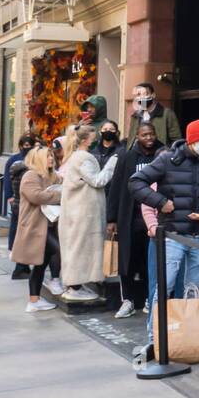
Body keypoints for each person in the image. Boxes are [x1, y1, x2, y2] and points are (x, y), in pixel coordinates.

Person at [129, 119, 199, 352]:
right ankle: (155, 339)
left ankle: (188, 336)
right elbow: (136, 182)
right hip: (173, 235)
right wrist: (161, 202)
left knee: (194, 288)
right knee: (164, 286)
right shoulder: (167, 160)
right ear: (192, 141)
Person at [105, 122, 164, 319]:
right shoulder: (127, 156)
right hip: (130, 217)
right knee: (127, 261)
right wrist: (111, 218)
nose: (149, 138)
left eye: (152, 134)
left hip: (155, 219)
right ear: (137, 136)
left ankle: (150, 299)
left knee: (151, 261)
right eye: (145, 135)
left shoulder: (163, 154)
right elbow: (116, 186)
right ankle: (128, 300)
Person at [58, 124, 120, 301]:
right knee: (80, 247)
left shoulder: (75, 157)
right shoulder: (83, 158)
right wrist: (113, 162)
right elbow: (98, 180)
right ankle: (75, 286)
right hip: (83, 213)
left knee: (76, 246)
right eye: (93, 138)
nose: (96, 141)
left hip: (79, 211)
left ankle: (76, 284)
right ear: (85, 140)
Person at [11, 145, 64, 312]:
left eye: (52, 156)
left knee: (41, 264)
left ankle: (34, 301)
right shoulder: (30, 175)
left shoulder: (53, 176)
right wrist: (60, 195)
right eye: (47, 156)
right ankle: (61, 284)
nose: (51, 159)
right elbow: (37, 196)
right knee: (59, 251)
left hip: (49, 225)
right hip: (35, 227)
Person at [4, 132, 36, 276]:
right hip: (18, 201)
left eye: (30, 145)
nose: (27, 147)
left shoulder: (36, 159)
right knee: (18, 230)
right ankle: (20, 264)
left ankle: (23, 264)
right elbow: (7, 179)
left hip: (30, 201)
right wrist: (9, 196)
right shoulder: (14, 160)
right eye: (25, 145)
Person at [127, 81, 182, 147]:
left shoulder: (167, 114)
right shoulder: (135, 116)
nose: (142, 97)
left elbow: (176, 139)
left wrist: (167, 154)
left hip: (159, 154)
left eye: (145, 94)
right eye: (139, 95)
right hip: (138, 154)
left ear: (153, 95)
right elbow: (131, 139)